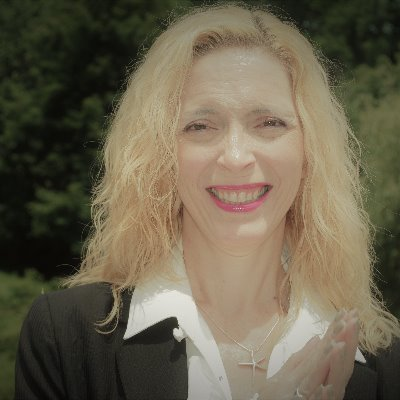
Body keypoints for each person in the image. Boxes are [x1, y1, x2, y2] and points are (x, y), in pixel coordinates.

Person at [15, 3, 400, 400]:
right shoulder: (65, 337)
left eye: (269, 123)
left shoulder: (385, 365)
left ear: (309, 150)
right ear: (160, 152)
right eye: (200, 126)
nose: (235, 156)